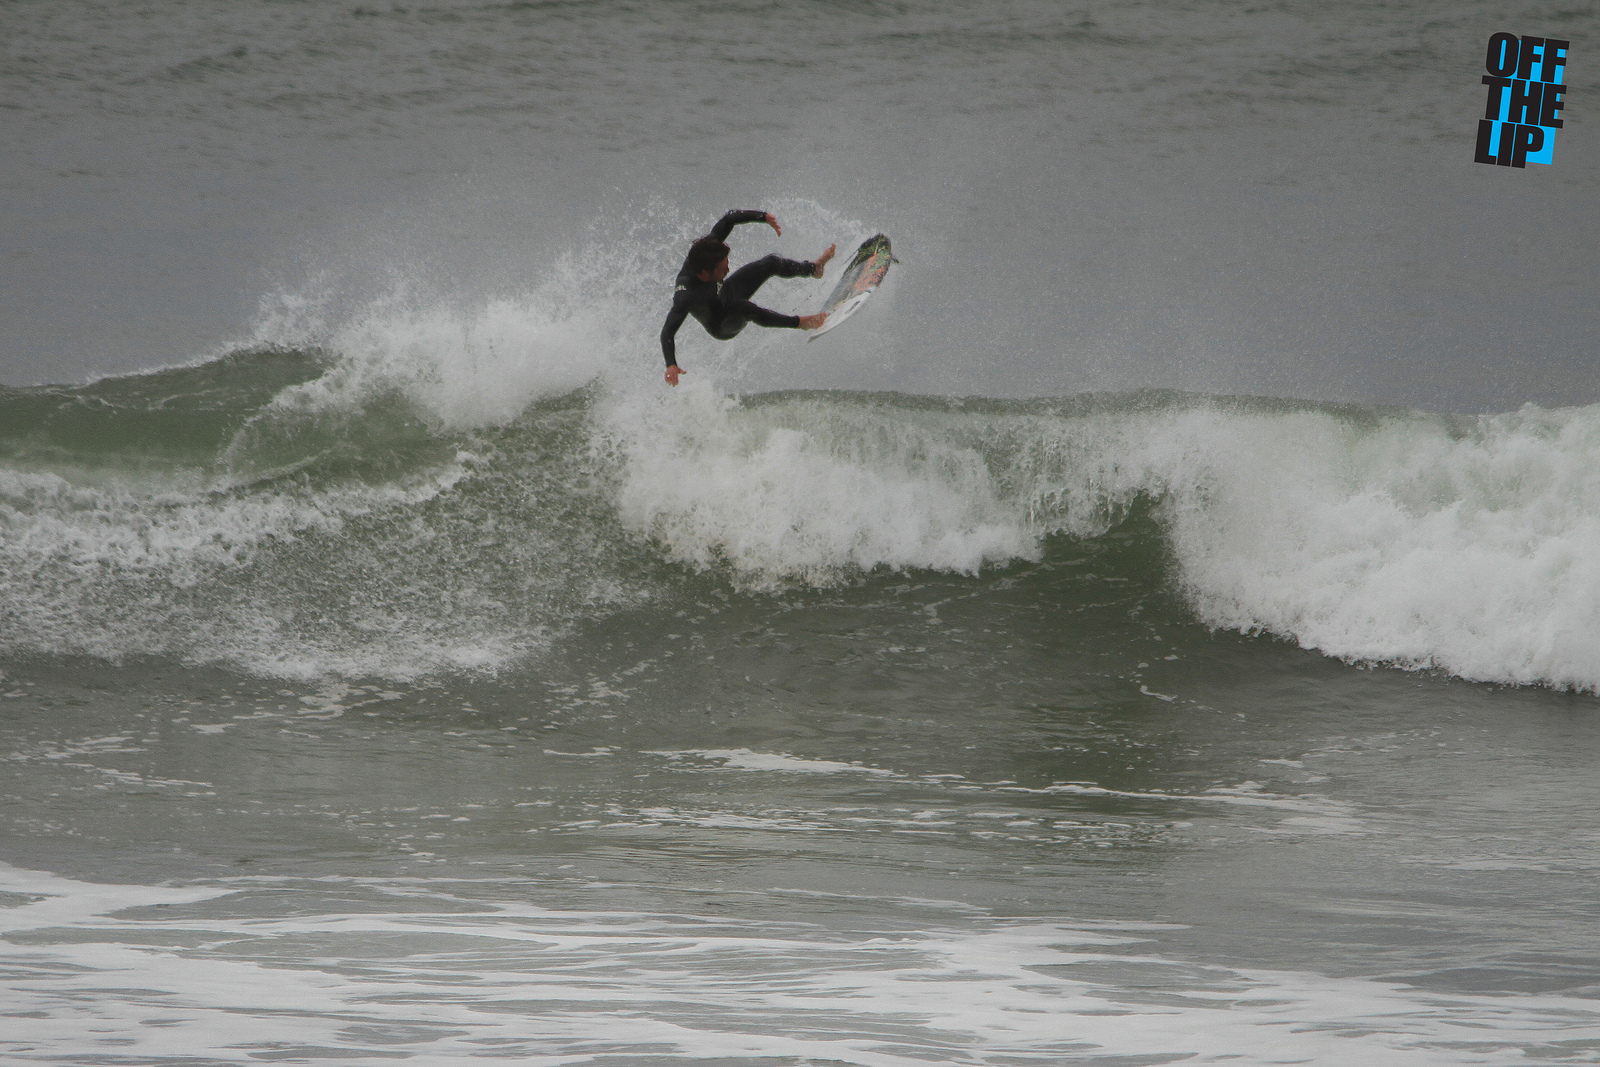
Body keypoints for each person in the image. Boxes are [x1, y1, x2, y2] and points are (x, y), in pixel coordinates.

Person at [660, 210, 835, 386]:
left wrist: (763, 216)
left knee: (771, 262)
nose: (727, 270)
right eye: (722, 270)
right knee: (743, 307)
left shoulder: (707, 248)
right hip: (721, 323)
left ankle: (814, 268)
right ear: (705, 273)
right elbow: (667, 332)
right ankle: (801, 323)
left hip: (726, 293)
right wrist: (671, 364)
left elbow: (729, 218)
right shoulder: (685, 295)